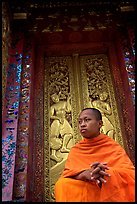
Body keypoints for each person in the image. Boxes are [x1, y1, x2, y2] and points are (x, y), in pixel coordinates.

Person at [54, 108, 135, 202]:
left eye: (87, 120)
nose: (82, 124)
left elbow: (130, 174)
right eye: (80, 122)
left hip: (105, 187)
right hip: (85, 186)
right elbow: (68, 174)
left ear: (100, 124)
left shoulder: (112, 146)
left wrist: (106, 173)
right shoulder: (76, 150)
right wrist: (84, 174)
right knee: (62, 184)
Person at [50, 93, 73, 162]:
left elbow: (69, 110)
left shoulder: (64, 103)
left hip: (64, 121)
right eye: (53, 98)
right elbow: (50, 115)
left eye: (55, 97)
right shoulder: (53, 106)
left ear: (58, 96)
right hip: (57, 121)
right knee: (54, 136)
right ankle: (53, 154)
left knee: (69, 134)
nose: (55, 99)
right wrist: (57, 118)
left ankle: (64, 147)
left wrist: (68, 100)